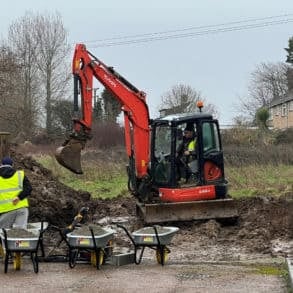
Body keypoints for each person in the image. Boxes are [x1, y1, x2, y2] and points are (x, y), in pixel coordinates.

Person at [0, 156, 32, 229]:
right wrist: (19, 197)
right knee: (19, 234)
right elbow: (29, 188)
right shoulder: (20, 174)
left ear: (1, 164)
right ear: (12, 165)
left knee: (3, 234)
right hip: (21, 209)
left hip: (5, 211)